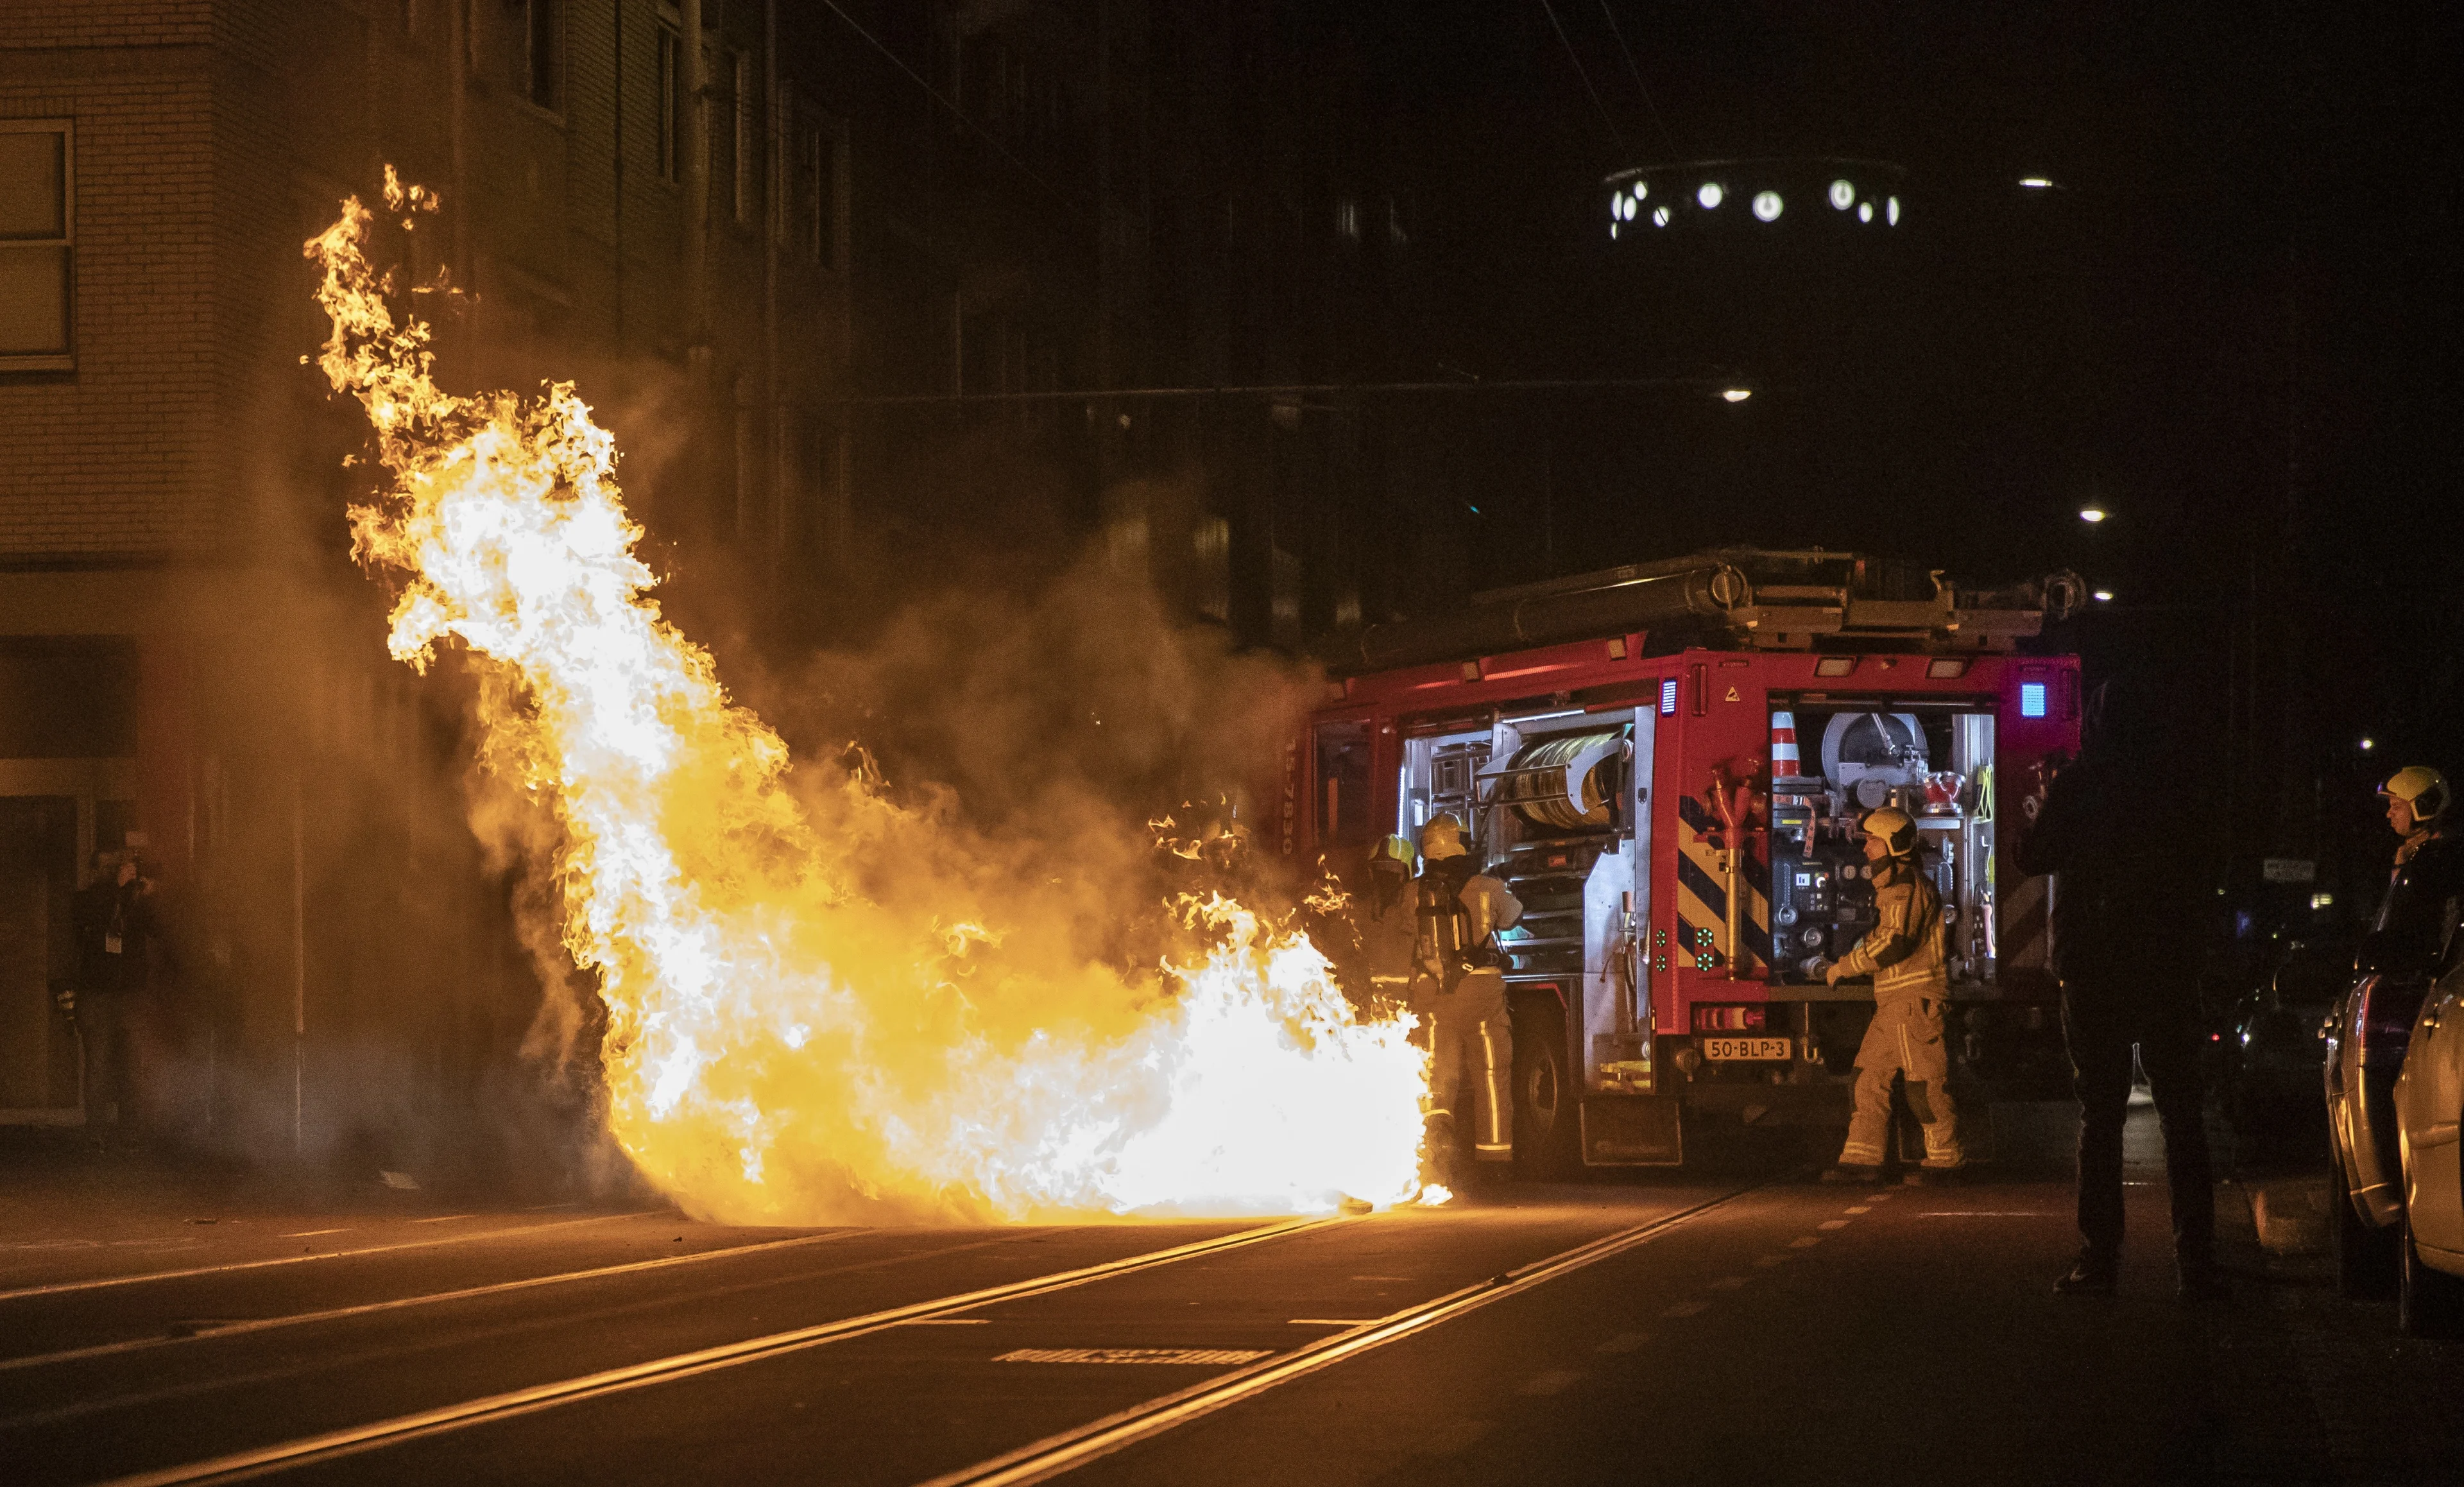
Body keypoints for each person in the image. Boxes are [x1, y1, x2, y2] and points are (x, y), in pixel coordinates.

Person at [2014, 677, 2223, 1300]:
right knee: (2182, 1116)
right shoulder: (2177, 786)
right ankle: (2198, 1266)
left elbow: (2033, 854)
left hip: (2095, 965)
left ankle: (2099, 1261)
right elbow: (2208, 862)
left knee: (2100, 1115)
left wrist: (2050, 794)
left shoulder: (2081, 783)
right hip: (2165, 965)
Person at [1817, 807, 1964, 1184]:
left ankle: (1947, 1161)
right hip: (1895, 1005)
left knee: (1924, 1086)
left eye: (1872, 841)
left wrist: (1842, 967)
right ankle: (1863, 1160)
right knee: (1867, 1079)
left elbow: (1893, 944)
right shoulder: (1895, 886)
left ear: (1893, 845)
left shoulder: (1904, 887)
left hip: (1914, 1003)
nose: (1866, 849)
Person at [1410, 814, 1521, 1180]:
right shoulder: (1486, 886)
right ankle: (1495, 1161)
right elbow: (1514, 916)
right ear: (1460, 841)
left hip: (1433, 995)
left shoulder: (1414, 891)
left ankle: (1434, 1162)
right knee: (1491, 1074)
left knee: (1438, 1077)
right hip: (1481, 994)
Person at [67, 845, 155, 1140]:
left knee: (135, 1066)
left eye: (115, 867)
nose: (110, 873)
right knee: (99, 1065)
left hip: (130, 992)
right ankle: (97, 1132)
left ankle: (133, 1132)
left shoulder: (133, 900)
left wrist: (148, 896)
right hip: (97, 992)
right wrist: (118, 890)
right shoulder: (86, 899)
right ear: (93, 872)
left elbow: (155, 928)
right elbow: (92, 917)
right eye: (105, 868)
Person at [2366, 766, 2462, 973]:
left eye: (2396, 806)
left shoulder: (2444, 858)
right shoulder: (2417, 854)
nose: (2389, 814)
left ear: (2424, 806)